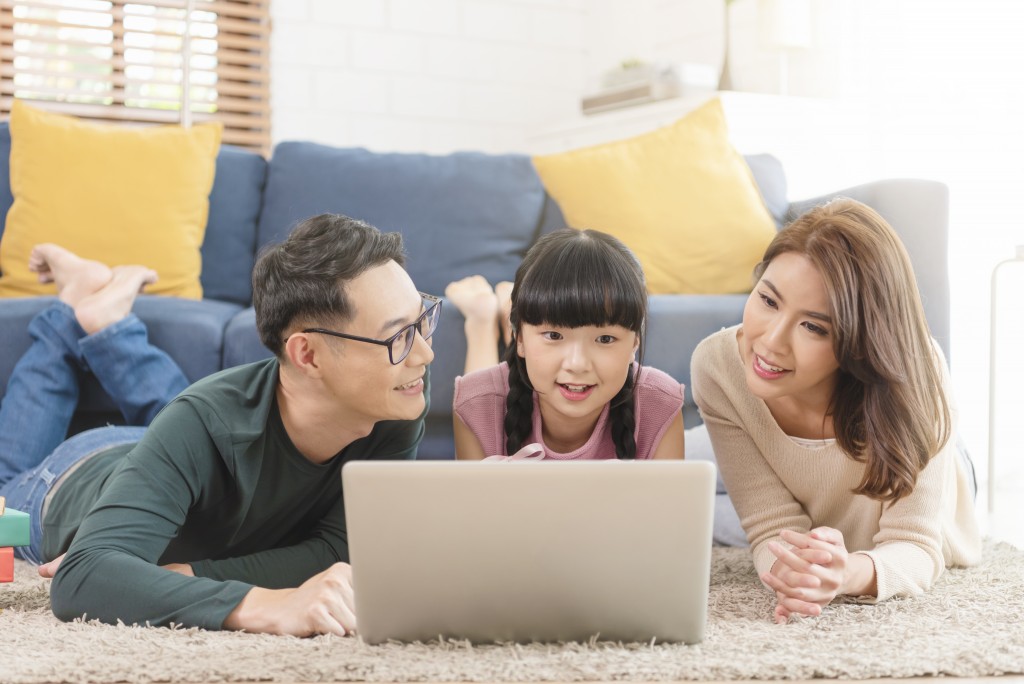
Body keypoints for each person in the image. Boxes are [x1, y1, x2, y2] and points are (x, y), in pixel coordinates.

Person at [0, 214, 439, 635]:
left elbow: (340, 549)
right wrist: (268, 605)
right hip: (69, 479)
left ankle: (109, 324)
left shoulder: (395, 398)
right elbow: (84, 579)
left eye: (423, 321)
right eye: (399, 335)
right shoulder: (204, 422)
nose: (424, 354)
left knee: (193, 417)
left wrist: (189, 574)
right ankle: (70, 307)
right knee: (4, 485)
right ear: (307, 355)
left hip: (166, 452)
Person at [690, 198, 981, 623]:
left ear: (860, 340)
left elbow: (915, 547)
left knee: (698, 500)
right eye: (768, 300)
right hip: (809, 493)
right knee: (668, 477)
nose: (771, 341)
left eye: (813, 326)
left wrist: (844, 575)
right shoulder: (718, 365)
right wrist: (796, 574)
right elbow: (770, 524)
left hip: (936, 462)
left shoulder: (918, 373)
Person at [451, 229, 685, 461]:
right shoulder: (474, 403)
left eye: (604, 339)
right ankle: (482, 321)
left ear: (636, 342)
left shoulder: (661, 404)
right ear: (519, 338)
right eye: (554, 335)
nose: (577, 364)